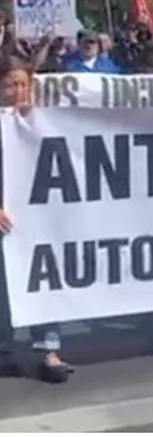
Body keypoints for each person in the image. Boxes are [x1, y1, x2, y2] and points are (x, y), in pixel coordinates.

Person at [0, 57, 74, 383]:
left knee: (45, 281)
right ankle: (4, 350)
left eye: (22, 84)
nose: (17, 91)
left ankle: (49, 351)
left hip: (39, 217)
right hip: (6, 219)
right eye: (9, 85)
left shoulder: (44, 120)